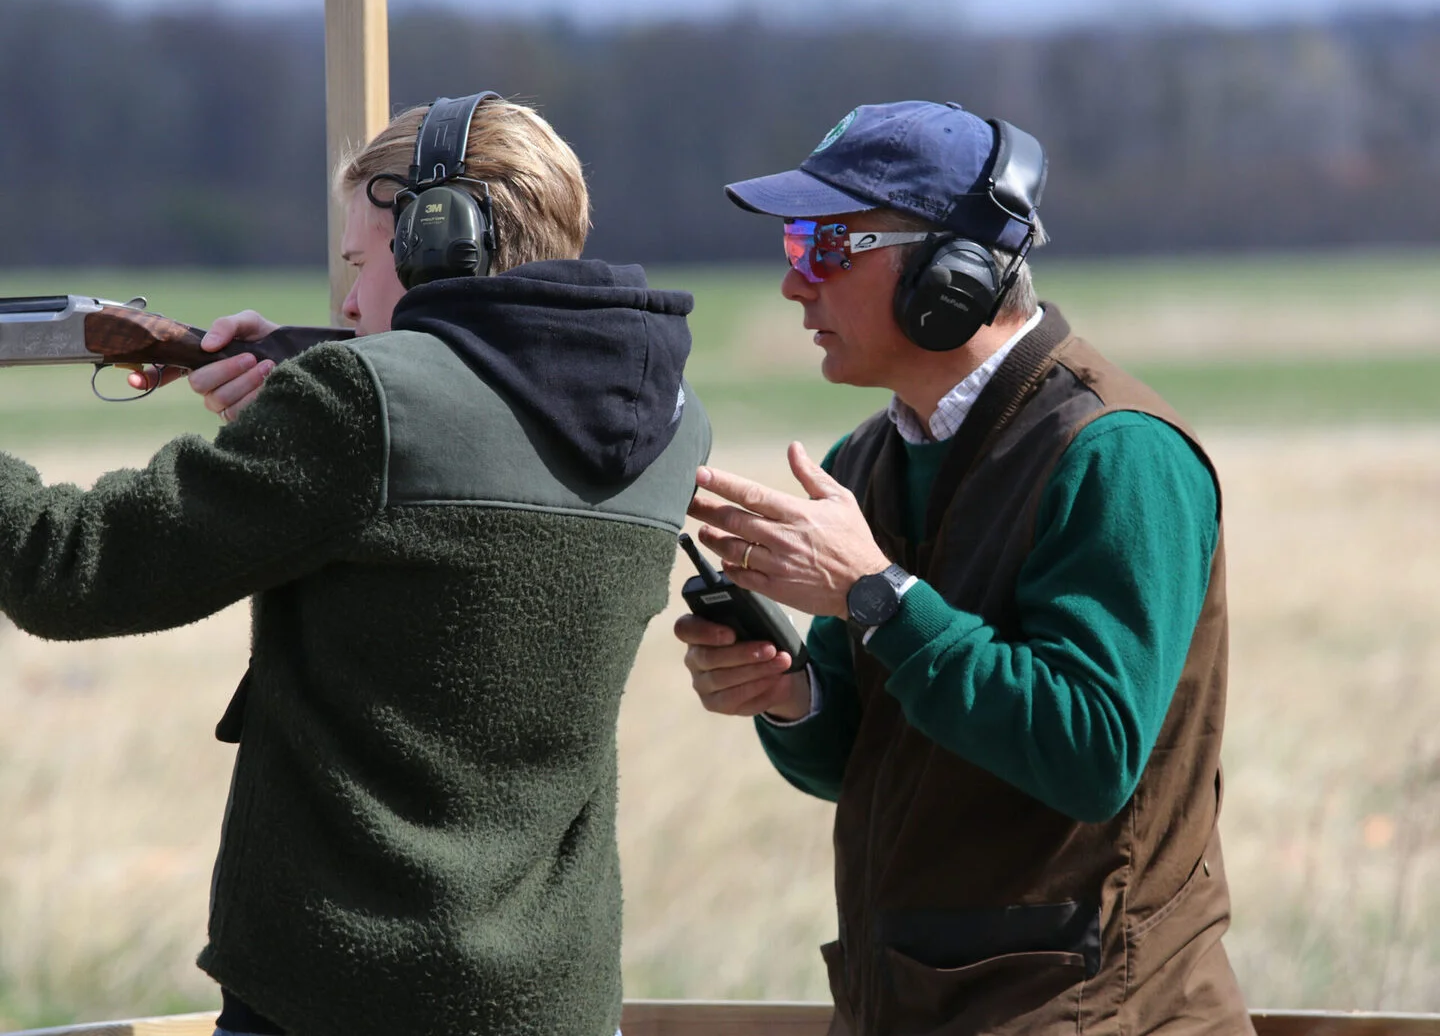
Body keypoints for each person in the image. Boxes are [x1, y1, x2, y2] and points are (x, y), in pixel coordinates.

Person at [1, 92, 711, 1036]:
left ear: (438, 243)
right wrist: (301, 389)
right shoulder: (669, 422)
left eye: (360, 262)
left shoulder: (357, 405)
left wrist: (321, 396)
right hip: (558, 1000)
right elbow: (466, 427)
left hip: (341, 997)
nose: (344, 300)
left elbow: (68, 568)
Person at [674, 100, 1251, 1035]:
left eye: (825, 245)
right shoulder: (868, 461)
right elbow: (868, 758)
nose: (794, 285)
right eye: (794, 246)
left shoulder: (1117, 454)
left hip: (1096, 1015)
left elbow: (1091, 750)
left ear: (951, 275)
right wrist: (791, 696)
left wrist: (876, 595)